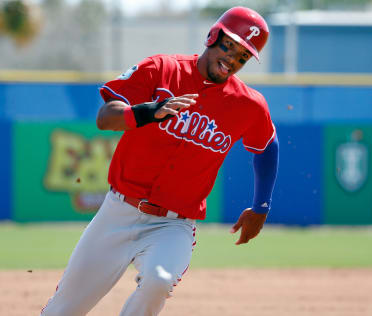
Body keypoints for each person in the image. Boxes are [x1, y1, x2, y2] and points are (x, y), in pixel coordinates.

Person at [40, 6, 279, 316]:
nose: (233, 58)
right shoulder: (162, 69)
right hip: (118, 212)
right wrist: (148, 112)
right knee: (62, 311)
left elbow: (267, 147)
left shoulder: (249, 105)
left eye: (243, 56)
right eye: (229, 45)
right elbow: (105, 117)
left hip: (173, 225)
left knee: (159, 280)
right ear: (212, 36)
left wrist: (261, 207)